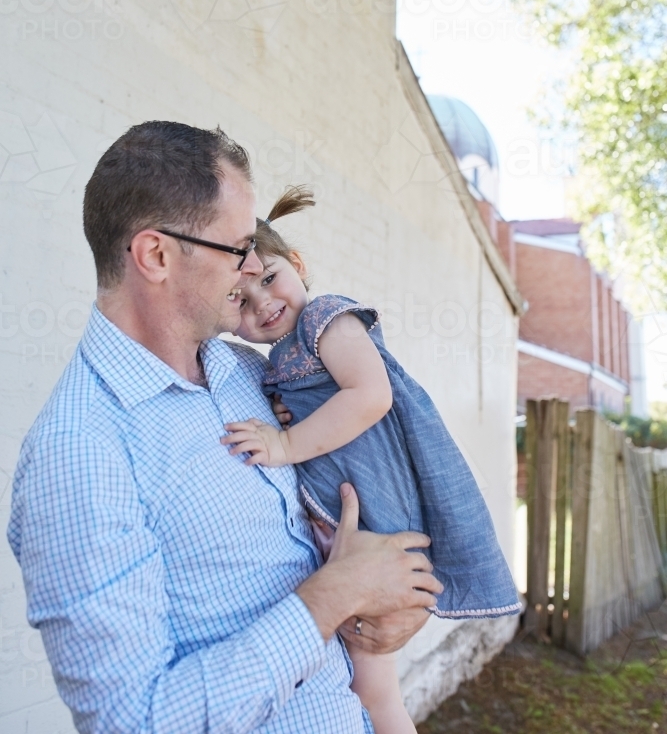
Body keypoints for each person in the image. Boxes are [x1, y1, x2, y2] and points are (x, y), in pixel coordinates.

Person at [7, 121, 443, 734]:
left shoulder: (251, 373)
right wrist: (334, 596)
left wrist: (387, 605)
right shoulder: (78, 453)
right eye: (237, 248)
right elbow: (133, 721)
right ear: (156, 256)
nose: (253, 265)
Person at [222, 186, 521, 734]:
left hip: (380, 521)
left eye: (269, 278)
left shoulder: (327, 320)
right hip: (347, 529)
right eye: (240, 300)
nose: (262, 302)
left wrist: (285, 444)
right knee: (356, 684)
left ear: (297, 265)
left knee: (375, 691)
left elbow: (370, 395)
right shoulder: (276, 363)